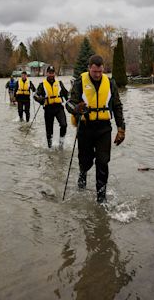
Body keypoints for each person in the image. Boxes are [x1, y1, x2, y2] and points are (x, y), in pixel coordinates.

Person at [65, 54, 125, 203]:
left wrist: (121, 128)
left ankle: (101, 197)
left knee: (103, 162)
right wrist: (76, 108)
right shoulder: (79, 83)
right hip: (85, 128)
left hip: (104, 129)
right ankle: (83, 173)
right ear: (89, 69)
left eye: (100, 71)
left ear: (103, 69)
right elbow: (69, 104)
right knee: (86, 161)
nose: (98, 75)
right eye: (94, 72)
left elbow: (117, 106)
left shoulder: (110, 83)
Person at [34, 65, 69, 148]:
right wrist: (40, 99)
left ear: (54, 73)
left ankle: (61, 143)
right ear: (47, 73)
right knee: (49, 131)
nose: (51, 74)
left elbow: (66, 95)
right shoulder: (42, 85)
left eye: (52, 73)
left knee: (64, 125)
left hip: (59, 107)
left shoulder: (59, 83)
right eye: (49, 73)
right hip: (48, 109)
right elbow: (35, 95)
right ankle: (50, 147)